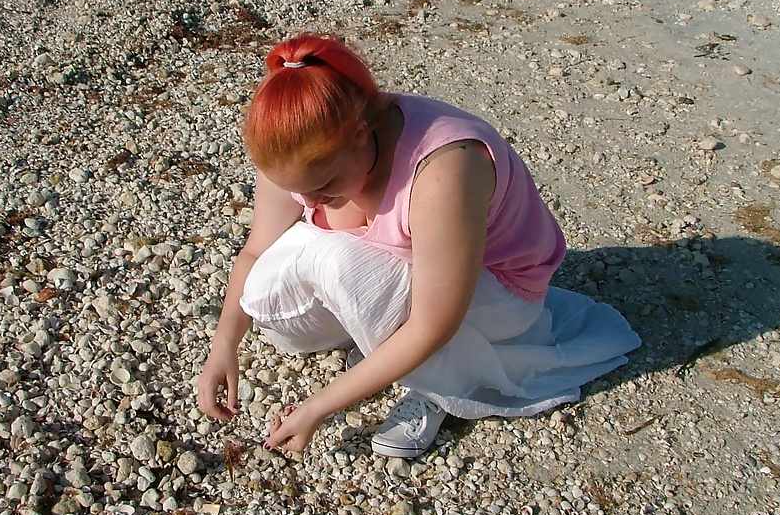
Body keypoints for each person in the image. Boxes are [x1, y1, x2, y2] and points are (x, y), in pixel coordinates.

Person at [196, 33, 640, 457]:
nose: (309, 202)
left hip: (496, 294)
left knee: (332, 261)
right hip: (417, 274)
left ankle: (440, 387)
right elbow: (255, 252)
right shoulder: (296, 147)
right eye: (297, 190)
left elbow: (434, 324)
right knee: (265, 291)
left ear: (359, 132)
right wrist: (223, 346)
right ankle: (383, 343)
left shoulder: (444, 169)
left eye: (324, 186)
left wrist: (318, 406)